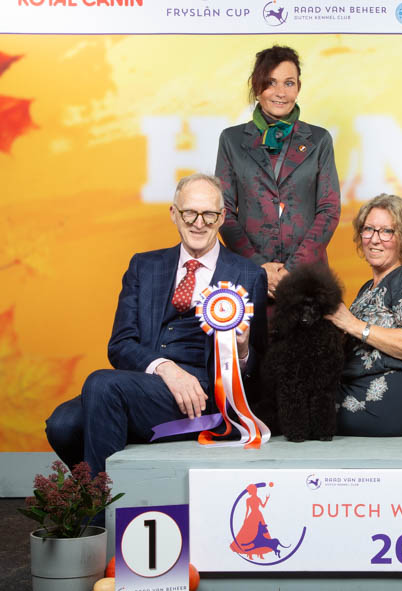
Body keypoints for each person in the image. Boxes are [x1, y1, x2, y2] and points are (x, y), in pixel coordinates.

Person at [45, 173, 268, 475]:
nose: (199, 223)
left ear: (222, 217)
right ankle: (116, 487)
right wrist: (165, 368)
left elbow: (261, 367)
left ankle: (100, 502)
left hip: (205, 398)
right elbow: (120, 344)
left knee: (101, 383)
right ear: (174, 213)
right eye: (189, 213)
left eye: (209, 214)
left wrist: (242, 351)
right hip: (145, 384)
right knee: (62, 425)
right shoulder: (143, 265)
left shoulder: (249, 274)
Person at [215, 45, 340, 299]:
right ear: (256, 86)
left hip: (307, 278)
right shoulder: (232, 140)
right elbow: (223, 211)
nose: (280, 93)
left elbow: (329, 210)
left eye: (289, 83)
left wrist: (290, 270)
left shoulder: (319, 140)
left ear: (298, 87)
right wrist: (259, 266)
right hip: (249, 276)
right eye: (271, 83)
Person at [326, 194, 402, 436]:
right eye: (369, 229)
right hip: (353, 388)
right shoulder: (366, 289)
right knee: (292, 397)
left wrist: (353, 325)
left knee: (300, 409)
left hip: (394, 398)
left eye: (387, 231)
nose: (375, 239)